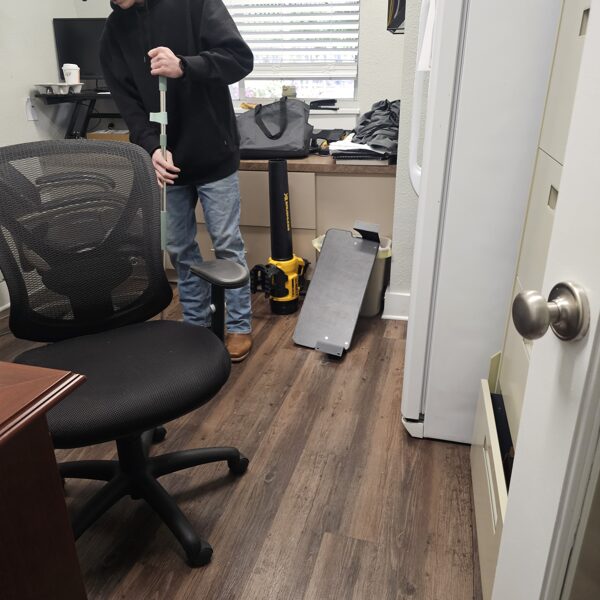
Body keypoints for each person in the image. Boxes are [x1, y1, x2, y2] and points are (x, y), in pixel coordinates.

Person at [100, 0, 254, 362]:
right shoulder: (114, 32)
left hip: (214, 152)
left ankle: (239, 324)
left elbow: (239, 59)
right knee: (180, 248)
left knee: (227, 243)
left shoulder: (194, 4)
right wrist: (151, 148)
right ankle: (197, 324)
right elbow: (129, 106)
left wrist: (185, 65)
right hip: (167, 160)